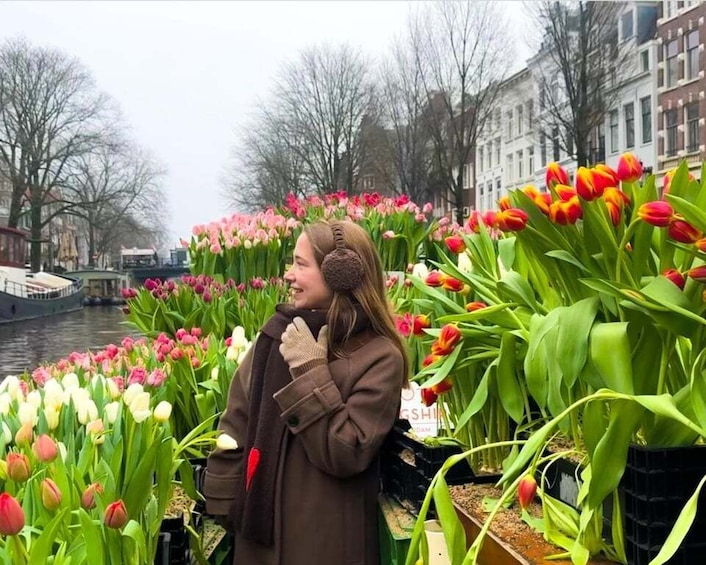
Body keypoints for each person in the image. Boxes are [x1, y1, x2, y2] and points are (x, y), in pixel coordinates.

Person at [204, 219, 409, 565]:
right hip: (259, 538)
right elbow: (236, 423)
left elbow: (346, 453)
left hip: (327, 544)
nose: (288, 275)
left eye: (301, 264)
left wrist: (311, 371)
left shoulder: (379, 356)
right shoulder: (277, 336)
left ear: (340, 274)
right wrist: (223, 505)